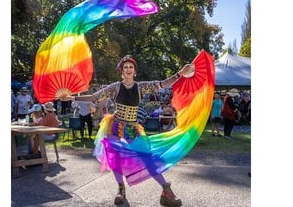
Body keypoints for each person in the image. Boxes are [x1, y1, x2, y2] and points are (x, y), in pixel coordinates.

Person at [59, 55, 193, 207]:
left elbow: (163, 84)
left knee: (147, 159)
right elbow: (95, 97)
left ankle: (166, 190)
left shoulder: (141, 86)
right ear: (121, 71)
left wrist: (179, 73)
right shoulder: (115, 87)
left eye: (131, 67)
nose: (128, 69)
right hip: (115, 126)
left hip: (132, 128)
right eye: (125, 67)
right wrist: (72, 98)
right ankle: (121, 190)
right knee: (115, 159)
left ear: (134, 71)